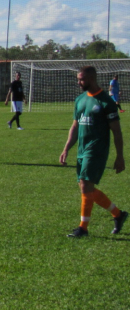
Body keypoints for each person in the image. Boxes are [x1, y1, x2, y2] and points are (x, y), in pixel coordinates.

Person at [60, 66, 126, 238]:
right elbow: (75, 126)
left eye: (81, 79)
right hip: (82, 149)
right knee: (85, 188)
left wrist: (120, 156)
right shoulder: (80, 100)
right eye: (78, 79)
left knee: (85, 185)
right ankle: (119, 215)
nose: (78, 82)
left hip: (96, 149)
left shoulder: (106, 101)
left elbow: (117, 131)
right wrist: (66, 148)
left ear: (91, 78)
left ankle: (83, 228)